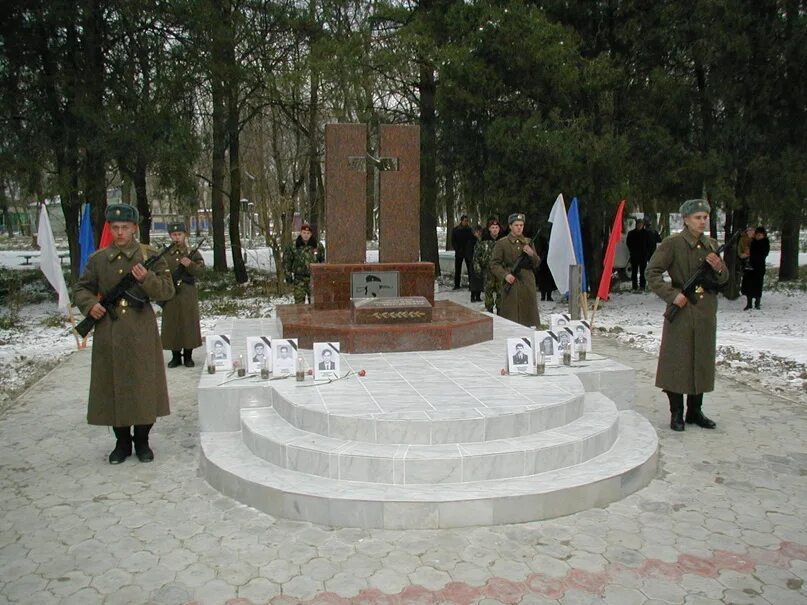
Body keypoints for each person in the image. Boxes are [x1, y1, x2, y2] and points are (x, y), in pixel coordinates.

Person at [74, 203, 174, 464]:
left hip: (141, 329)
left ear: (134, 228)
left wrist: (146, 279)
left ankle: (142, 441)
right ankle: (121, 442)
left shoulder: (149, 256)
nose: (120, 233)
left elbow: (167, 292)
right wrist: (90, 305)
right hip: (110, 330)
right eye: (115, 228)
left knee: (142, 386)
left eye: (125, 228)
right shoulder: (98, 260)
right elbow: (81, 289)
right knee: (113, 387)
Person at [646, 198, 728, 432]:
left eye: (705, 217)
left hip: (704, 311)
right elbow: (652, 273)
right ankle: (677, 412)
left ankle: (695, 410)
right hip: (682, 310)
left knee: (701, 359)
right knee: (678, 361)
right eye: (697, 218)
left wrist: (719, 267)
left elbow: (724, 280)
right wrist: (672, 295)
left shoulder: (711, 244)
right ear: (685, 220)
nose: (702, 222)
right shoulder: (673, 243)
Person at [160, 222, 204, 368]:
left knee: (188, 324)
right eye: (174, 235)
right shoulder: (165, 254)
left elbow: (200, 271)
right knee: (172, 324)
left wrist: (190, 264)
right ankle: (175, 356)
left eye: (179, 234)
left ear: (185, 235)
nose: (177, 237)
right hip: (171, 294)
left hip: (187, 294)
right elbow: (159, 272)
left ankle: (188, 356)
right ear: (170, 236)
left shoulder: (192, 252)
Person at [490, 213, 540, 327]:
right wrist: (505, 275)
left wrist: (532, 254)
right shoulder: (502, 243)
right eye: (516, 225)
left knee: (528, 317)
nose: (519, 228)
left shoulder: (528, 242)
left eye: (521, 225)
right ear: (510, 226)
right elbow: (494, 264)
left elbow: (537, 263)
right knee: (511, 316)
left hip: (527, 282)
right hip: (511, 283)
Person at [283, 223, 324, 304]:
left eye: (308, 233)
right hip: (299, 280)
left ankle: (312, 317)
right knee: (299, 305)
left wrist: (321, 276)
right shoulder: (293, 246)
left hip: (313, 279)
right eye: (304, 233)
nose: (306, 235)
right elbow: (287, 262)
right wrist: (288, 276)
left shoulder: (318, 246)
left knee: (314, 304)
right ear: (300, 233)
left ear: (311, 234)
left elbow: (322, 261)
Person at [473, 218, 505, 312]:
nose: (495, 229)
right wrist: (477, 268)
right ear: (489, 229)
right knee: (488, 291)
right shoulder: (483, 241)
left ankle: (500, 309)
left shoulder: (503, 241)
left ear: (499, 229)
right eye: (492, 227)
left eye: (496, 227)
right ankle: (489, 308)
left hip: (500, 271)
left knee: (501, 291)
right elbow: (476, 256)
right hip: (488, 270)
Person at [741, 226, 770, 310]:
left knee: (757, 285)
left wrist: (754, 257)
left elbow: (763, 254)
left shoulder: (765, 243)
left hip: (759, 267)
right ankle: (749, 303)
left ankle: (757, 303)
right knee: (748, 285)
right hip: (749, 267)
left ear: (763, 235)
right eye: (757, 235)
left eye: (760, 235)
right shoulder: (752, 242)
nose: (758, 236)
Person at [450, 215, 474, 290]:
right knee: (458, 269)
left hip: (467, 252)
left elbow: (472, 240)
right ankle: (457, 284)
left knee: (470, 269)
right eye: (465, 221)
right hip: (459, 251)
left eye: (467, 221)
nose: (466, 222)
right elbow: (453, 241)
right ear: (461, 221)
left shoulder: (469, 230)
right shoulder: (456, 230)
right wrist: (457, 249)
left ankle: (472, 284)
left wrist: (470, 249)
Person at [626, 218, 650, 291]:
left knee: (643, 272)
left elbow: (649, 244)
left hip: (643, 255)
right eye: (638, 224)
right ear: (636, 225)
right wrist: (632, 251)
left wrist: (647, 253)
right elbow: (628, 243)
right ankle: (634, 286)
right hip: (634, 255)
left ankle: (642, 286)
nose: (639, 226)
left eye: (641, 224)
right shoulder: (631, 233)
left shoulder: (646, 233)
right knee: (634, 272)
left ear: (643, 225)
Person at [467, 225, 484, 302]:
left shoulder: (482, 240)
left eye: (480, 232)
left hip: (481, 262)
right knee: (474, 280)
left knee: (480, 279)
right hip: (473, 262)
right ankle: (472, 295)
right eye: (477, 232)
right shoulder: (471, 240)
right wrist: (471, 260)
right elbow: (469, 252)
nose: (479, 233)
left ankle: (478, 295)